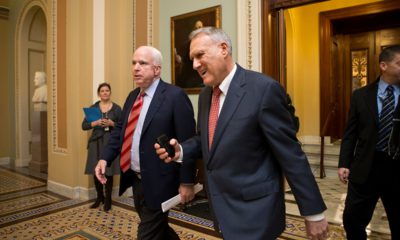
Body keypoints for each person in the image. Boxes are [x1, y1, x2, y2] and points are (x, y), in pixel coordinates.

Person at [156, 27, 328, 240]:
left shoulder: (263, 89)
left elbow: (291, 155)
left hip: (256, 212)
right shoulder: (205, 95)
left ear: (223, 49)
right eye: (192, 59)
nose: (194, 65)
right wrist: (181, 150)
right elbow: (208, 139)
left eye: (200, 55)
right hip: (221, 210)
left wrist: (313, 213)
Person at [95, 46, 196, 240]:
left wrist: (187, 181)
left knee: (147, 234)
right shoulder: (132, 96)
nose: (136, 68)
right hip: (136, 179)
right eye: (134, 63)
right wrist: (104, 159)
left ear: (157, 69)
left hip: (163, 181)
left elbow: (188, 142)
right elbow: (119, 132)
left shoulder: (175, 96)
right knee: (159, 229)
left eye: (142, 63)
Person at [339, 45, 400, 239]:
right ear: (384, 65)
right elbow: (350, 134)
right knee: (352, 219)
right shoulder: (361, 95)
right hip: (366, 167)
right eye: (399, 63)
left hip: (397, 169)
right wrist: (343, 163)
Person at [82, 82, 122, 212]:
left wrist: (112, 123)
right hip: (96, 142)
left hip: (110, 143)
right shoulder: (93, 108)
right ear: (99, 93)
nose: (105, 93)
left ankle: (108, 200)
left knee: (108, 172)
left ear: (110, 93)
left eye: (107, 90)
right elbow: (84, 126)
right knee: (96, 171)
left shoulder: (116, 108)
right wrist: (95, 122)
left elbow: (123, 128)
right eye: (102, 91)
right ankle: (100, 198)